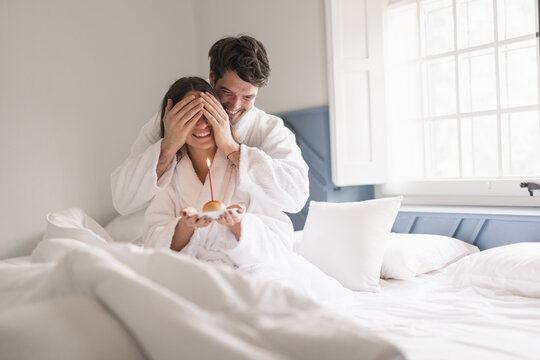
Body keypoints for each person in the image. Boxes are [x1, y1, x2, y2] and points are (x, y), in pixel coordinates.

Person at [111, 35, 309, 219]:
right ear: (212, 78)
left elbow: (296, 198)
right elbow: (123, 201)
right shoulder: (172, 120)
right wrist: (168, 147)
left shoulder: (269, 130)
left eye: (248, 97)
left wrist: (232, 149)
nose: (235, 106)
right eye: (227, 92)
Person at [143, 76, 295, 266]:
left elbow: (277, 246)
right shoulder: (168, 174)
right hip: (191, 273)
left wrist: (238, 223)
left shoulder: (247, 168)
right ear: (173, 122)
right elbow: (152, 246)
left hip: (247, 272)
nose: (201, 125)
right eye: (190, 116)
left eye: (207, 113)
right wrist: (185, 225)